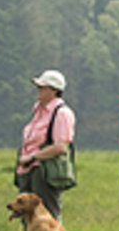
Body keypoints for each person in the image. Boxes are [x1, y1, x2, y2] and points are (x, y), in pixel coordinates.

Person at [16, 69, 76, 222]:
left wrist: (33, 156)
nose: (38, 90)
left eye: (42, 87)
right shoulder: (38, 111)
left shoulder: (62, 113)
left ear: (54, 91)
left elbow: (60, 147)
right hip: (27, 169)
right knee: (27, 216)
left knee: (47, 216)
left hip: (45, 171)